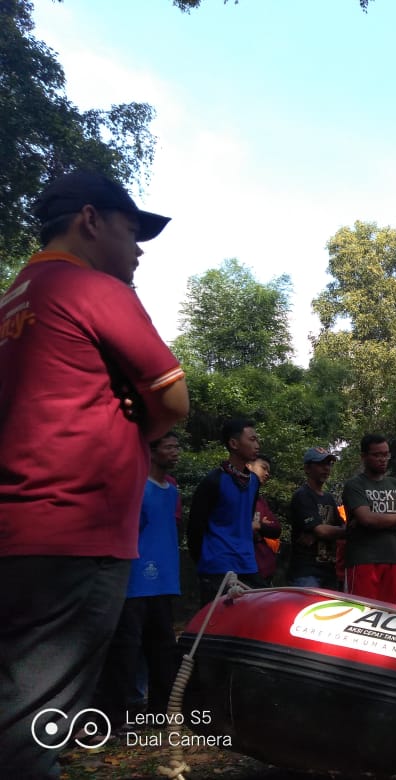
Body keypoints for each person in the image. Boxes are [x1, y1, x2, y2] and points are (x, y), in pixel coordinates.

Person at [0, 171, 189, 778]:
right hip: (73, 536)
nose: (137, 250)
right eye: (132, 231)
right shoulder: (93, 288)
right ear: (90, 220)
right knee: (34, 726)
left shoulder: (14, 298)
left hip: (15, 534)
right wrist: (139, 417)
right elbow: (175, 400)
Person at [95, 432, 184, 727]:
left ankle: (160, 713)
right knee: (125, 650)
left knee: (162, 648)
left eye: (177, 447)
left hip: (165, 580)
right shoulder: (135, 488)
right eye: (169, 447)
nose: (175, 452)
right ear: (152, 451)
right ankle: (113, 717)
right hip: (135, 579)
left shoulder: (172, 490)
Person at [187, 417, 266, 606]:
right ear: (233, 443)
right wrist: (205, 560)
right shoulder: (213, 481)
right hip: (217, 566)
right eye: (252, 439)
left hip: (247, 564)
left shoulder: (254, 482)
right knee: (215, 623)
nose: (257, 444)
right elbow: (195, 527)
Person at [342, 434, 396, 602]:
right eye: (377, 455)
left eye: (386, 454)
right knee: (360, 613)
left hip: (393, 558)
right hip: (363, 559)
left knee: (390, 614)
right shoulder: (355, 485)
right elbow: (367, 518)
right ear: (363, 457)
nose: (383, 459)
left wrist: (378, 519)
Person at [288, 447, 345, 590]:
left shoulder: (329, 498)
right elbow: (321, 530)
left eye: (328, 464)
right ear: (307, 468)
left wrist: (343, 529)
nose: (326, 468)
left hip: (329, 571)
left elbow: (341, 527)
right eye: (320, 464)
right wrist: (344, 530)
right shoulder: (302, 495)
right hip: (306, 572)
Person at [248, 454, 282, 586]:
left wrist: (258, 525)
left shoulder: (260, 501)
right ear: (248, 466)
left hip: (264, 570)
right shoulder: (235, 494)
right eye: (264, 468)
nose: (267, 473)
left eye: (269, 471)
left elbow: (276, 529)